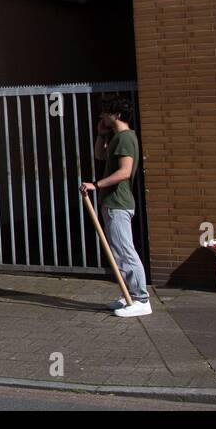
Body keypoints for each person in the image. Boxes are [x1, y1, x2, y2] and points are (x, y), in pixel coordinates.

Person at [83, 99, 151, 317]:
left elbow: (125, 172)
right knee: (119, 251)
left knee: (125, 251)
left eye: (105, 114)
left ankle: (141, 299)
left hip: (118, 203)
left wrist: (96, 185)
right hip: (113, 203)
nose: (102, 117)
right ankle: (129, 294)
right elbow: (99, 156)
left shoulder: (125, 138)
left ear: (117, 115)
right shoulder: (116, 138)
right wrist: (101, 134)